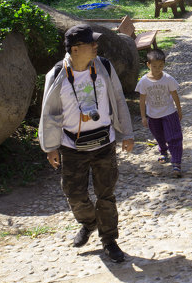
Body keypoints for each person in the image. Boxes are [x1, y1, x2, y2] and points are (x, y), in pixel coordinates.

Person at [39, 24, 134, 261]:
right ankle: (89, 222)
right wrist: (50, 146)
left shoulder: (104, 66)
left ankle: (109, 240)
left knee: (106, 194)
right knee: (73, 192)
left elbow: (119, 99)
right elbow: (47, 113)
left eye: (95, 43)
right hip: (72, 147)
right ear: (75, 49)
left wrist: (127, 133)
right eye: (91, 43)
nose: (96, 46)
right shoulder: (57, 74)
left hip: (104, 142)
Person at [136, 48, 183, 178]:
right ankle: (163, 151)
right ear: (148, 65)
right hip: (153, 115)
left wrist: (179, 110)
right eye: (154, 66)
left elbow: (174, 94)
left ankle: (176, 163)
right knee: (159, 135)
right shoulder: (144, 82)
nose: (158, 69)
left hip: (169, 113)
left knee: (174, 136)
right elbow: (142, 99)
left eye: (161, 66)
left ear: (164, 65)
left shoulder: (168, 79)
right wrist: (143, 116)